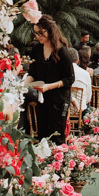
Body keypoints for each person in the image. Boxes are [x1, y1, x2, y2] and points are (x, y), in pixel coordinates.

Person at [25, 15, 74, 144]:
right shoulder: (37, 49)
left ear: (50, 30)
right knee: (42, 135)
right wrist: (22, 85)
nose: (38, 36)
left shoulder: (62, 51)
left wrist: (49, 86)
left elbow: (70, 78)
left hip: (59, 99)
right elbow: (32, 72)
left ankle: (58, 156)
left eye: (41, 33)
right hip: (42, 99)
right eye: (36, 33)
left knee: (57, 136)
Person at [69, 47, 92, 112]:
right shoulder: (85, 74)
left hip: (63, 111)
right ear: (77, 61)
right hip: (80, 110)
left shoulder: (59, 73)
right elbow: (88, 97)